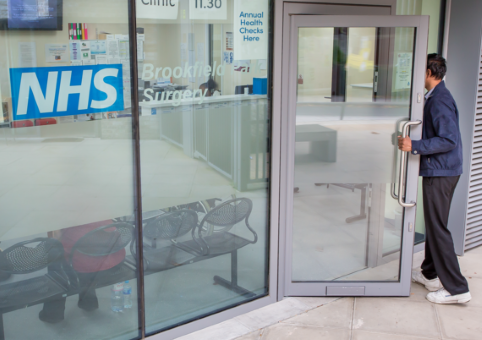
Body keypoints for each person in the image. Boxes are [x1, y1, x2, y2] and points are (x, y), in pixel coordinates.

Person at [398, 54, 471, 304]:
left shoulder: (440, 99)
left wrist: (414, 145)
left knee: (438, 228)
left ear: (429, 72)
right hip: (443, 170)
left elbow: (448, 138)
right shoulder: (436, 96)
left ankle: (457, 288)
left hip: (441, 173)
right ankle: (429, 272)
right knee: (434, 224)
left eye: (420, 70)